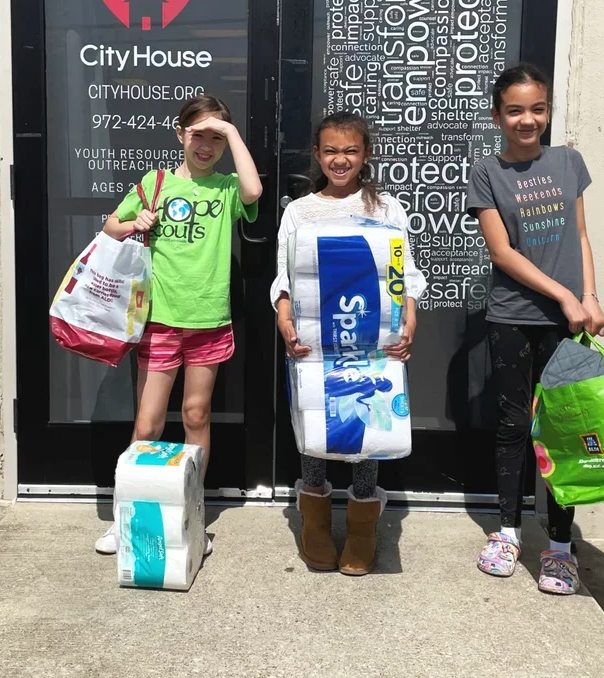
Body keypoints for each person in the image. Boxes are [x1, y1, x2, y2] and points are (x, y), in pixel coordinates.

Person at [95, 94, 262, 555]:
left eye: (216, 138)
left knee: (196, 415)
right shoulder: (157, 181)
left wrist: (231, 130)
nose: (205, 146)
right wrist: (134, 224)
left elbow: (254, 193)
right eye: (197, 134)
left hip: (209, 319)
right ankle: (127, 515)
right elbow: (111, 224)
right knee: (147, 425)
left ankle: (191, 515)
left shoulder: (227, 187)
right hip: (160, 320)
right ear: (179, 133)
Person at [467, 63, 604, 595]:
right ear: (497, 115)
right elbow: (502, 253)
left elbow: (580, 234)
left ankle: (561, 546)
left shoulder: (569, 161)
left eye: (537, 109)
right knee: (512, 425)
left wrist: (589, 297)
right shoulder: (487, 172)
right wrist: (566, 295)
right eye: (515, 110)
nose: (527, 120)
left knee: (566, 428)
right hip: (513, 318)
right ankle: (507, 532)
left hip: (570, 320)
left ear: (547, 111)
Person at [271, 111, 427, 575]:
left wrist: (410, 320)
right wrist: (284, 318)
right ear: (317, 155)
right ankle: (314, 524)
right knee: (317, 421)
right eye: (331, 151)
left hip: (371, 339)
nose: (341, 160)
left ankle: (362, 526)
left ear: (366, 155)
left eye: (351, 151)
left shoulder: (388, 209)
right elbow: (284, 277)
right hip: (314, 339)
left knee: (369, 424)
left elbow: (405, 275)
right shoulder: (299, 211)